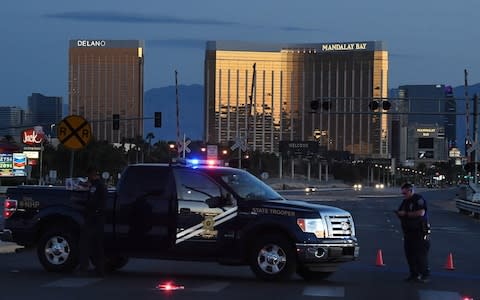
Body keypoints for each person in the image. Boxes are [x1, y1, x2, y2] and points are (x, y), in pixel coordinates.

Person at [395, 183, 431, 283]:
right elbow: (400, 211)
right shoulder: (405, 201)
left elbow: (421, 212)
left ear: (410, 191)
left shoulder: (418, 199)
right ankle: (414, 274)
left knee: (420, 254)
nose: (404, 195)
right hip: (408, 232)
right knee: (409, 254)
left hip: (419, 232)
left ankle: (425, 274)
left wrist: (406, 214)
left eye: (405, 193)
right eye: (403, 193)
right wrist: (399, 214)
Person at [78, 167, 107, 277]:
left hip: (94, 218)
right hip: (98, 218)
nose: (88, 178)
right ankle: (100, 270)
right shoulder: (99, 185)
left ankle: (84, 268)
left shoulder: (97, 186)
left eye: (89, 176)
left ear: (92, 174)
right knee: (97, 245)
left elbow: (93, 201)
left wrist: (81, 203)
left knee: (85, 243)